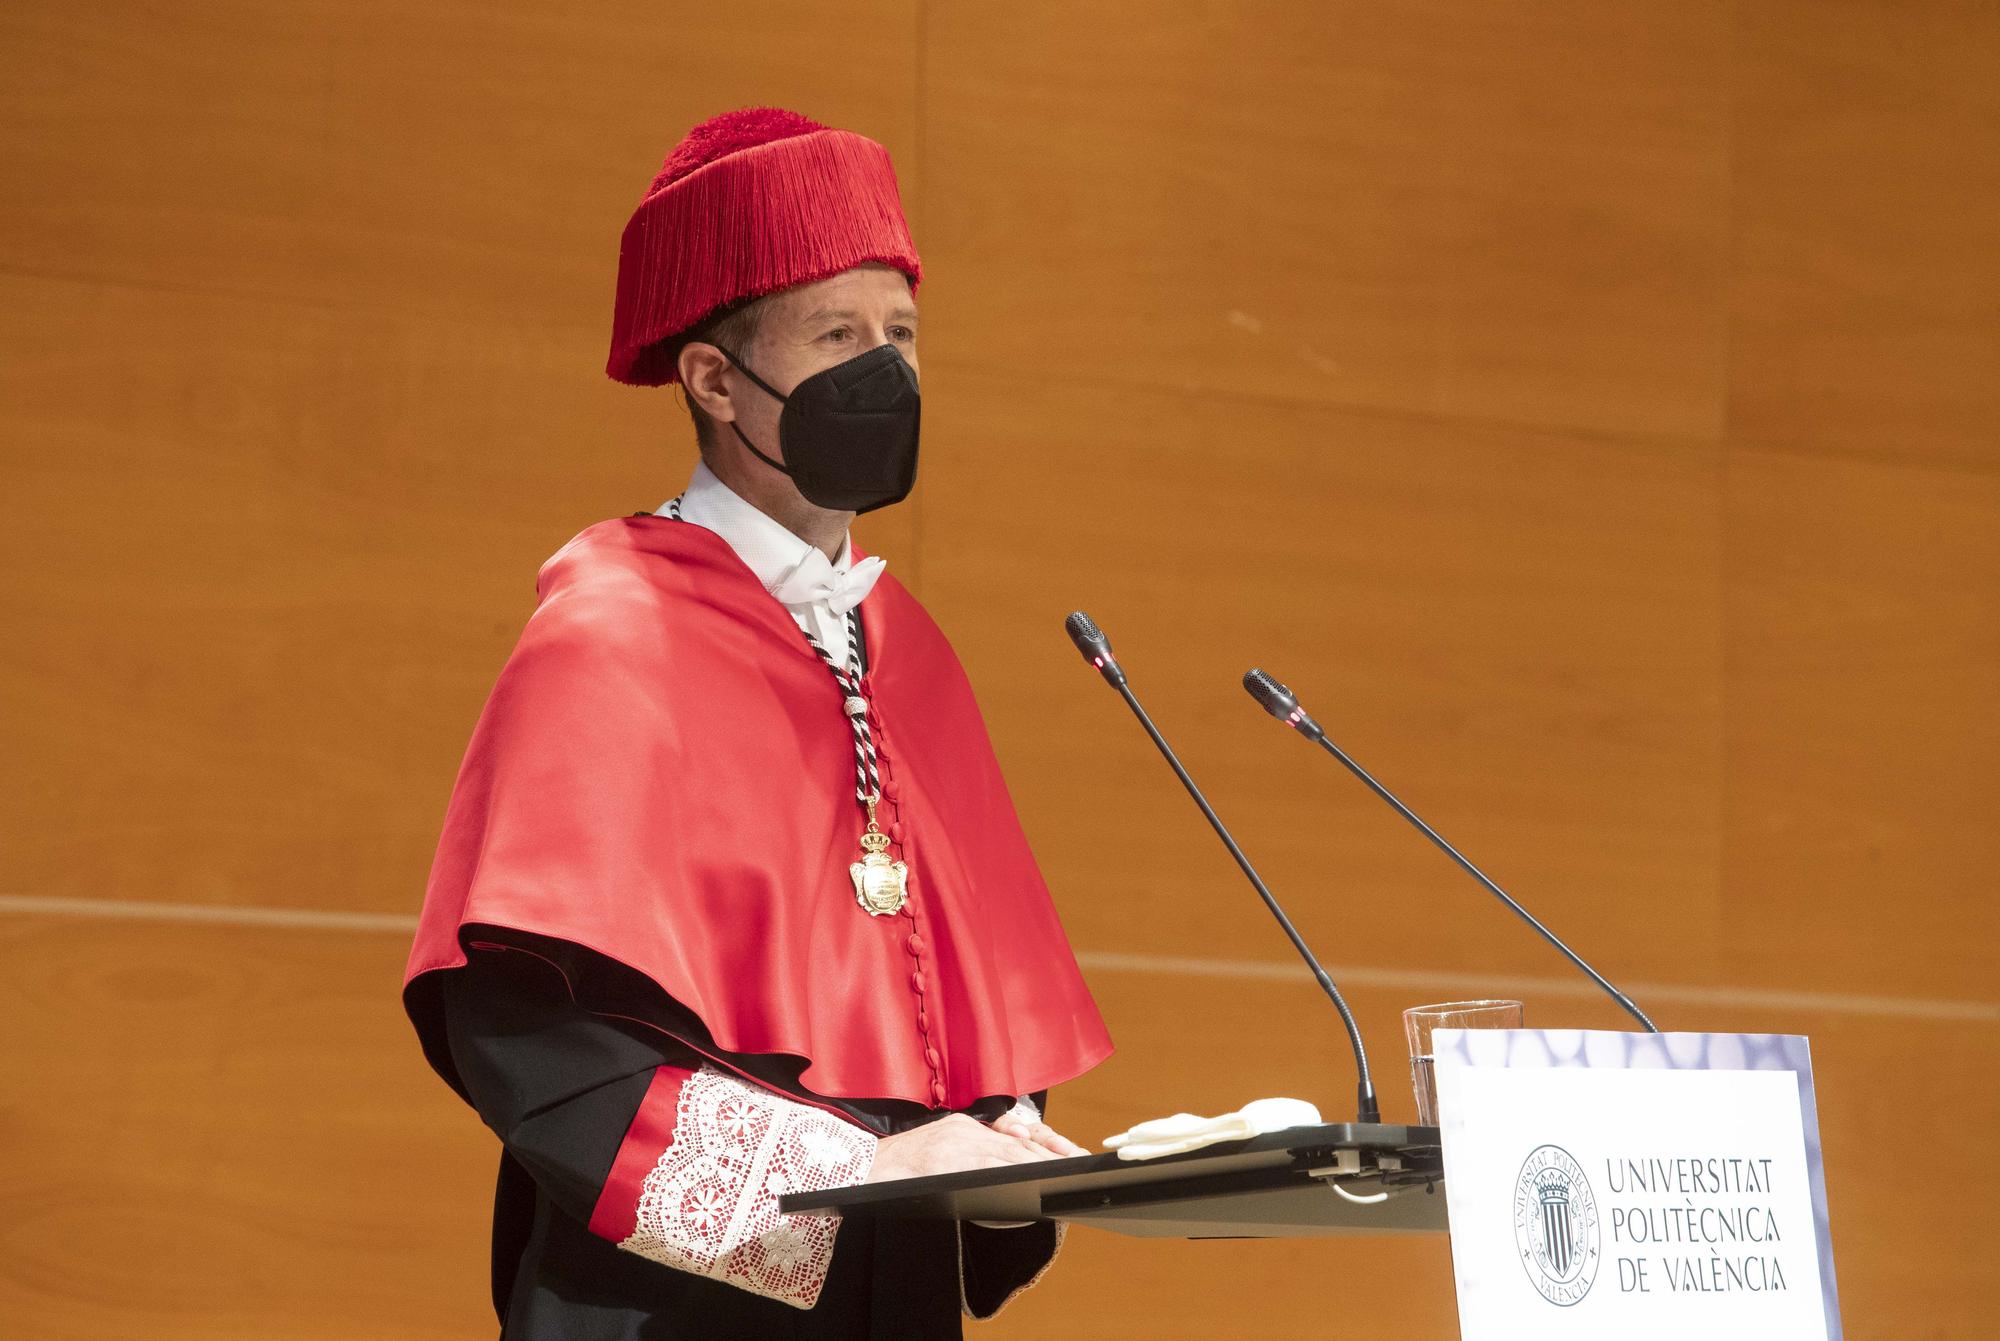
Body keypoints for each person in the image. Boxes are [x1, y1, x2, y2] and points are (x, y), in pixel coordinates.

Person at [402, 106, 1114, 1339]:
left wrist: (1007, 1174)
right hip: (662, 1308)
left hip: (886, 1300)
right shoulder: (613, 627)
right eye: (837, 334)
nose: (882, 371)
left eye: (902, 334)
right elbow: (531, 1029)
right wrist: (845, 1179)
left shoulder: (907, 650)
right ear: (714, 378)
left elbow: (950, 1010)